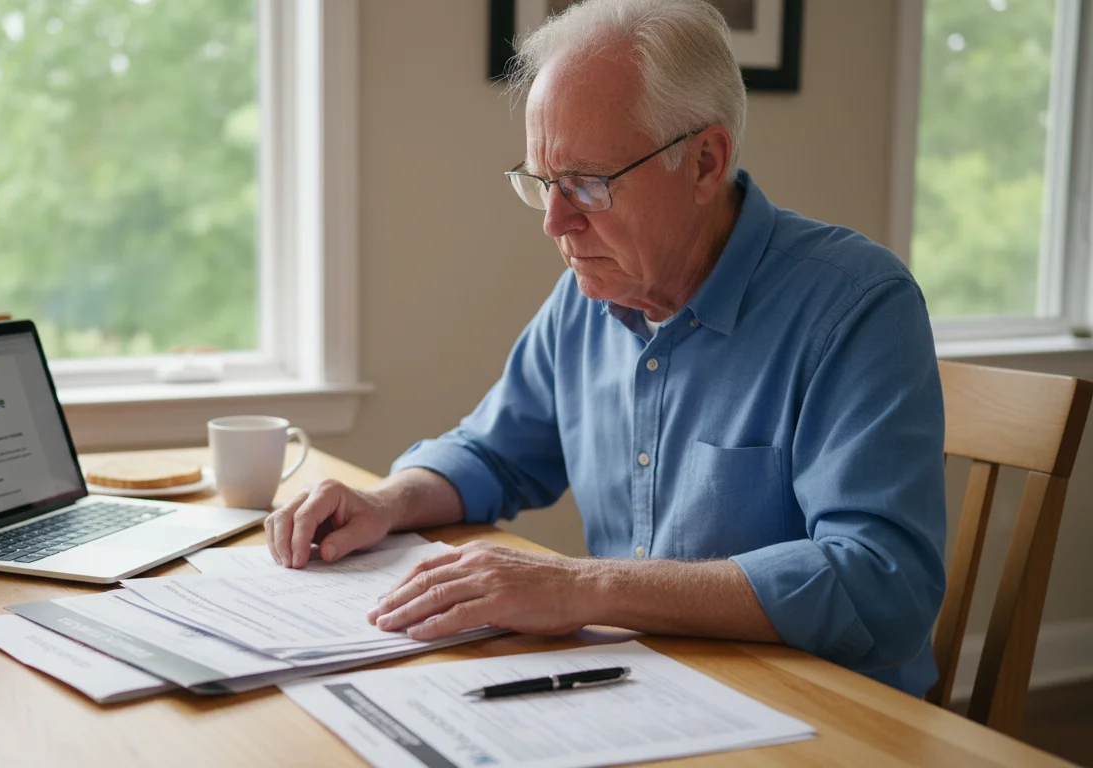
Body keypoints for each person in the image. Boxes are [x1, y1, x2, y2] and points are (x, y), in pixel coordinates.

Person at [263, 0, 947, 696]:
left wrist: (587, 586)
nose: (555, 222)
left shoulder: (856, 305)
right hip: (644, 689)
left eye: (588, 183)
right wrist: (389, 501)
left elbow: (881, 584)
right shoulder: (589, 298)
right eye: (542, 184)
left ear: (706, 162)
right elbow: (495, 452)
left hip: (825, 713)